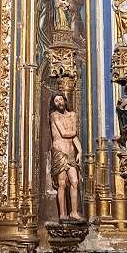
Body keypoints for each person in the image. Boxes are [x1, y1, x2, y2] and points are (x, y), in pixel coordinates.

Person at [50, 92, 84, 220]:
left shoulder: (72, 115)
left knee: (74, 182)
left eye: (60, 99)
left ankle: (74, 212)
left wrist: (80, 151)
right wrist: (74, 131)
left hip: (70, 152)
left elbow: (74, 136)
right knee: (62, 183)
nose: (59, 102)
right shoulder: (54, 116)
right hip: (59, 152)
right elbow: (64, 133)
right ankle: (62, 214)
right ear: (54, 104)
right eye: (56, 101)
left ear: (65, 100)